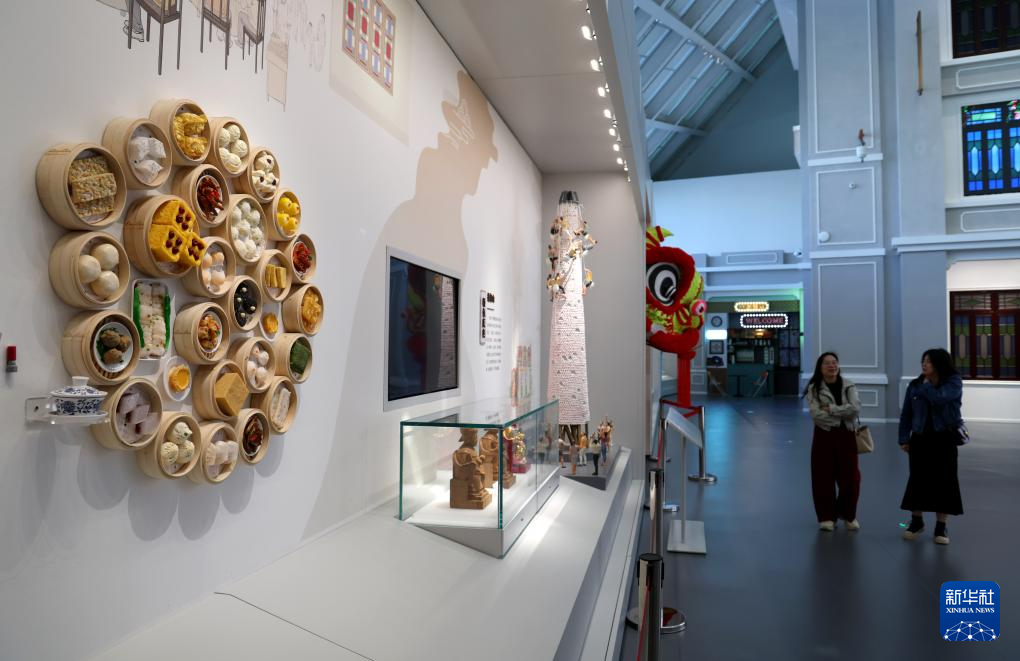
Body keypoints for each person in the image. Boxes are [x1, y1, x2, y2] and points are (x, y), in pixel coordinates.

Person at [899, 348, 964, 545]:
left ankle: (941, 526)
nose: (924, 364)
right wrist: (904, 438)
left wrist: (927, 386)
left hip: (945, 438)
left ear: (939, 363)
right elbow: (906, 413)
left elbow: (939, 398)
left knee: (945, 480)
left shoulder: (953, 382)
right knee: (917, 479)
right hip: (920, 438)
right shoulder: (915, 385)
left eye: (928, 361)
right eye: (923, 360)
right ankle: (916, 522)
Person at [804, 352, 861, 531]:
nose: (832, 366)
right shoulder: (814, 388)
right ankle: (827, 517)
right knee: (822, 477)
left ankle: (848, 515)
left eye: (834, 362)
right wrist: (841, 414)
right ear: (820, 368)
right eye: (827, 363)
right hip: (824, 435)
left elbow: (855, 410)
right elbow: (816, 415)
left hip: (847, 435)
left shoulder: (849, 385)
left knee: (851, 478)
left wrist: (831, 409)